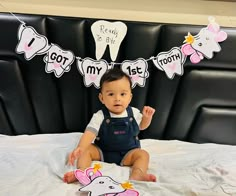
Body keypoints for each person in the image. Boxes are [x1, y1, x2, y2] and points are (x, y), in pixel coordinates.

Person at [63, 68, 156, 183]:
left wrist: (147, 118)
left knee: (143, 154)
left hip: (128, 153)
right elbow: (89, 133)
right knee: (86, 149)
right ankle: (82, 172)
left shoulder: (134, 113)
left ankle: (138, 173)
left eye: (123, 94)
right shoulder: (100, 115)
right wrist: (80, 147)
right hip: (102, 151)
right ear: (102, 98)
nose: (117, 98)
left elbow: (141, 126)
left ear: (130, 97)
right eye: (111, 94)